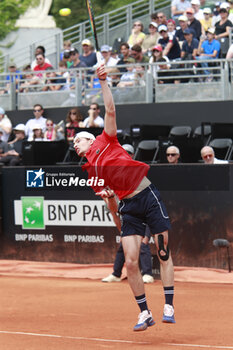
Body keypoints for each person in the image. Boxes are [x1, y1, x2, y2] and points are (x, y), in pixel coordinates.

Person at [73, 64, 175, 331]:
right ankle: (144, 312)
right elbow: (113, 209)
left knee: (162, 252)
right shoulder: (90, 171)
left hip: (148, 195)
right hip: (129, 206)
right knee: (131, 261)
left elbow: (110, 110)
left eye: (78, 141)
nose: (75, 145)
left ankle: (169, 304)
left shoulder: (106, 140)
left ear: (90, 139)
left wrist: (103, 81)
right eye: (73, 144)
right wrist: (110, 202)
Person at [102, 144, 154, 285]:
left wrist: (147, 235)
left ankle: (148, 274)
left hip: (146, 215)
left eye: (127, 153)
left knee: (143, 243)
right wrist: (123, 233)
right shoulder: (110, 184)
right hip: (129, 219)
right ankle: (116, 274)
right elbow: (114, 214)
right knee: (123, 245)